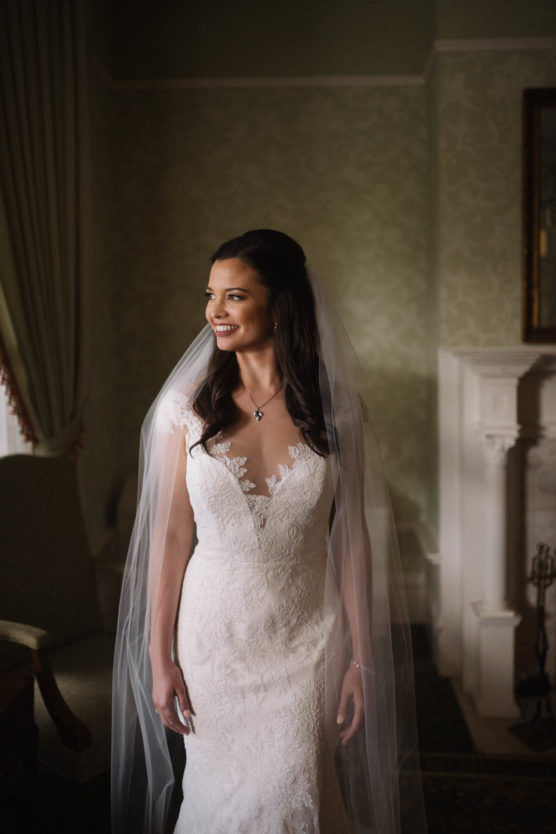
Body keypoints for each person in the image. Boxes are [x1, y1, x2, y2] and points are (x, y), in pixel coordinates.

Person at [111, 230, 427, 834]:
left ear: (279, 305)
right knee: (216, 803)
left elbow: (351, 536)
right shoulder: (185, 409)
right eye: (211, 295)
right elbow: (172, 538)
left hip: (307, 635)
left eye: (234, 296)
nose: (214, 312)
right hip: (212, 640)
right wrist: (159, 657)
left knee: (294, 796)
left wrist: (363, 658)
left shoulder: (338, 409)